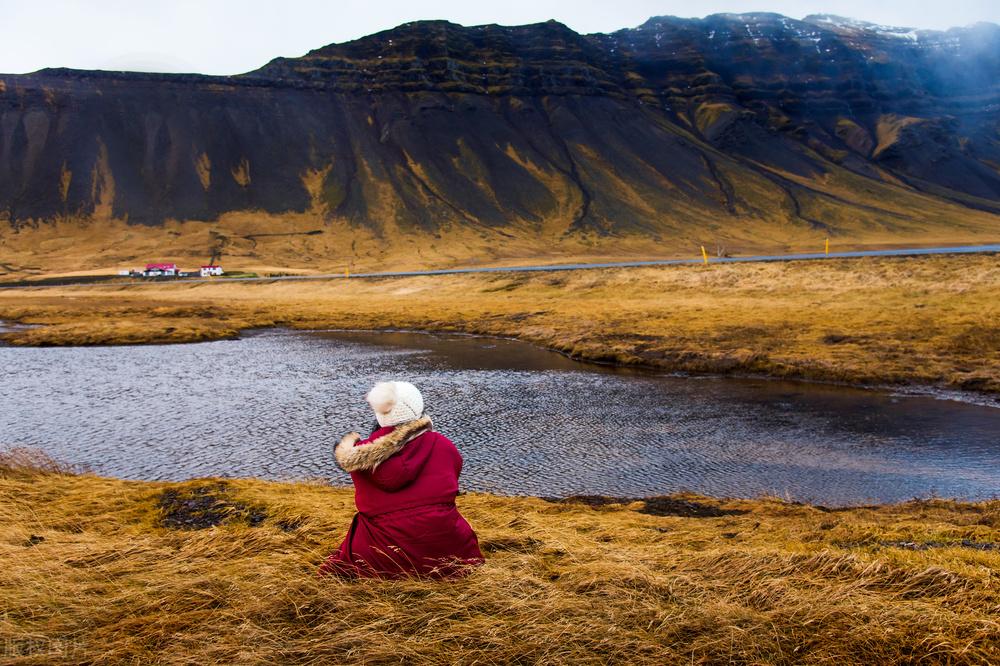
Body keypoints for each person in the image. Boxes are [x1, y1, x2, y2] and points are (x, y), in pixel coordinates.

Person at [318, 381, 484, 579]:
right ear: (418, 408)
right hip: (446, 551)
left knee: (345, 561)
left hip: (380, 555)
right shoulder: (444, 446)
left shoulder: (359, 456)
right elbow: (452, 480)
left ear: (380, 413)